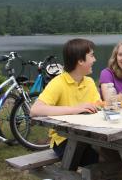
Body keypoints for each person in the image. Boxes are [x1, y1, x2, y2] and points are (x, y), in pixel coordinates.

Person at [30, 38, 101, 166]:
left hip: (91, 136)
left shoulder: (89, 82)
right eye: (91, 55)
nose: (95, 59)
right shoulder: (58, 82)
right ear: (80, 60)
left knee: (114, 154)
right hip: (64, 140)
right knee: (99, 161)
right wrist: (75, 109)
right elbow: (35, 110)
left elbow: (98, 106)